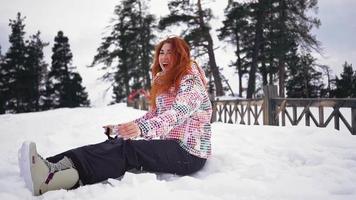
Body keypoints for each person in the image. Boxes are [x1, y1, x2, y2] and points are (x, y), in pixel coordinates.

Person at [18, 36, 212, 196]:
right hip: (172, 146)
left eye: (171, 52)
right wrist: (122, 128)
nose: (164, 56)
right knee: (116, 143)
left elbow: (176, 113)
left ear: (182, 55)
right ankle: (50, 165)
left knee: (127, 151)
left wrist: (141, 130)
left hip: (190, 152)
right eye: (162, 52)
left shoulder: (191, 81)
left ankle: (56, 177)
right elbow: (153, 116)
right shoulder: (165, 83)